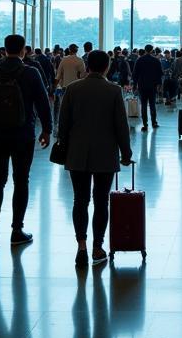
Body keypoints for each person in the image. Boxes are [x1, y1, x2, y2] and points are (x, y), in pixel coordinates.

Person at [56, 49, 134, 267]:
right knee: (101, 201)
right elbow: (121, 126)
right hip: (105, 154)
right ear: (107, 67)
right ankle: (97, 247)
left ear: (87, 65)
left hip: (77, 153)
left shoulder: (72, 89)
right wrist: (125, 153)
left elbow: (62, 124)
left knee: (79, 200)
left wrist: (65, 146)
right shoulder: (113, 90)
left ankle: (81, 245)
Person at [0, 33, 52, 249]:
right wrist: (47, 129)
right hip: (23, 135)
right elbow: (43, 103)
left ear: (3, 49)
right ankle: (17, 229)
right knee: (21, 180)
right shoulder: (31, 72)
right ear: (23, 50)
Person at [132, 44, 163, 132]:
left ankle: (145, 124)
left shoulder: (139, 60)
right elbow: (160, 73)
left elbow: (135, 74)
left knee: (144, 105)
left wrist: (134, 85)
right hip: (152, 86)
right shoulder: (156, 60)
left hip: (142, 85)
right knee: (152, 104)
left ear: (145, 50)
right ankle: (154, 122)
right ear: (152, 50)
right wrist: (159, 85)